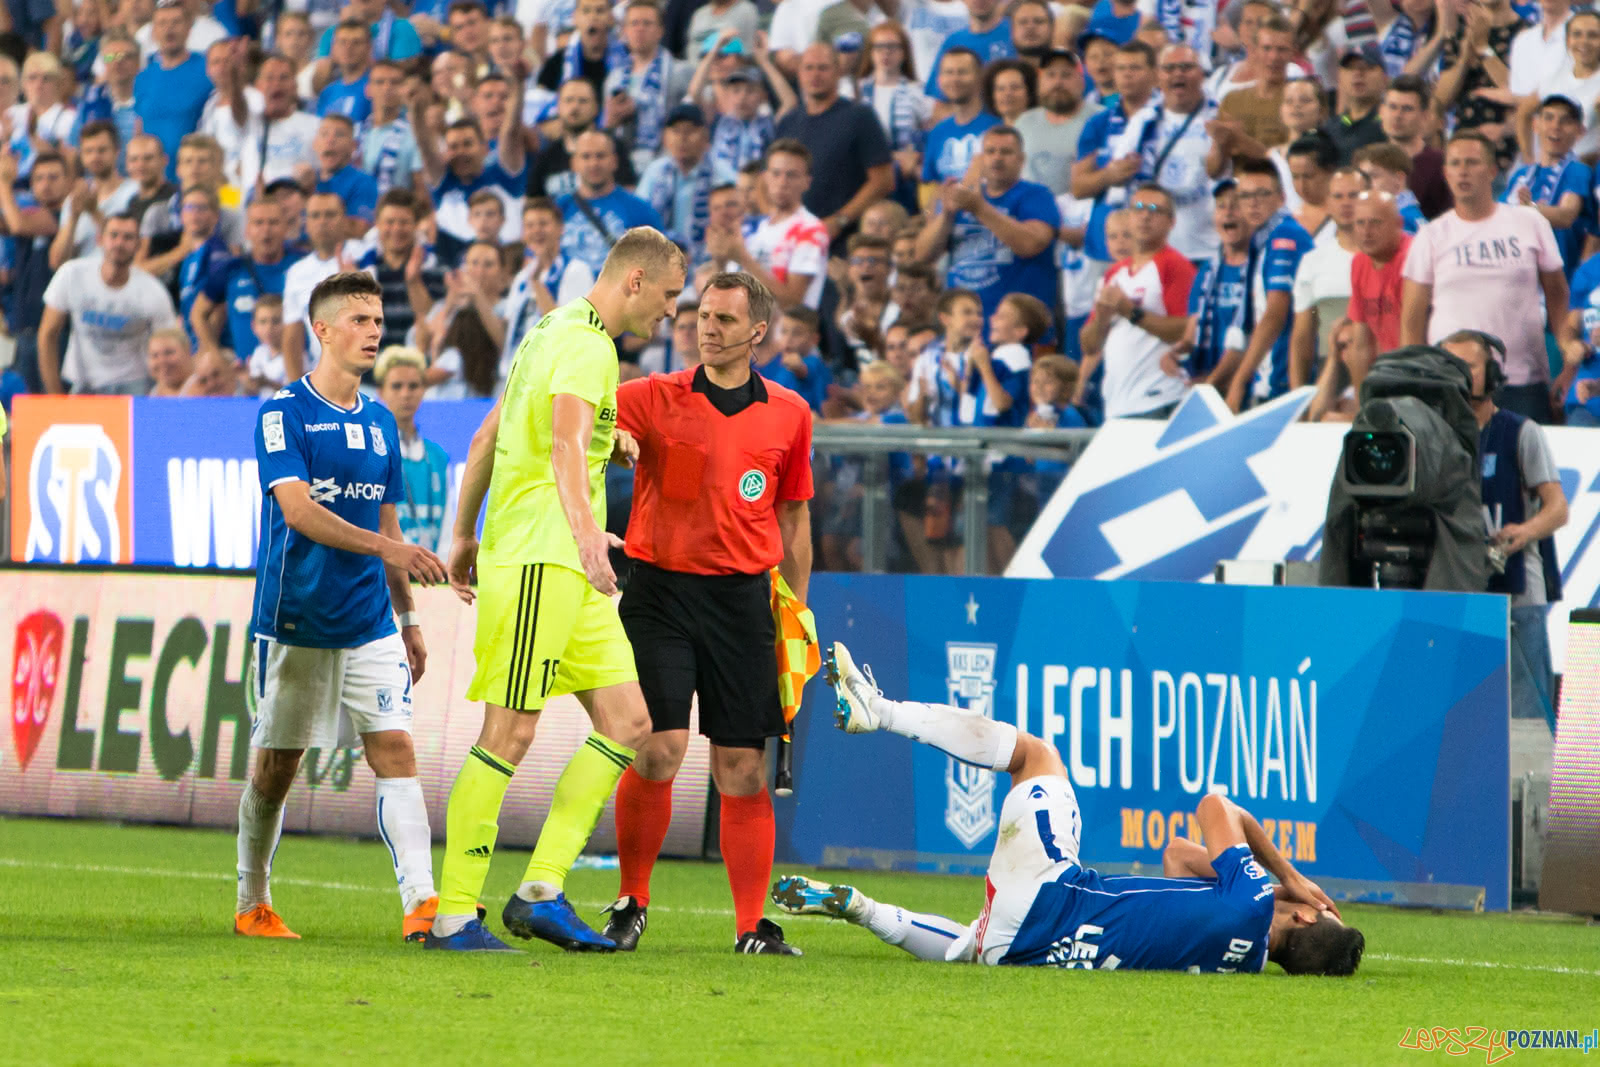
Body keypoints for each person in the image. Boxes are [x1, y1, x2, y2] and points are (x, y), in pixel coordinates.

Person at [775, 641, 1365, 975]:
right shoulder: (1243, 962)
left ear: (1309, 917)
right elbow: (1178, 858)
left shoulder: (1255, 900)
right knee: (972, 943)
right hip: (1034, 947)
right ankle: (860, 908)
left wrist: (1287, 876)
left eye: (1315, 908)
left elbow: (1214, 804)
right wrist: (1263, 886)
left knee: (1035, 757)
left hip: (1054, 892)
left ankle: (880, 711)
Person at [427, 228, 686, 953]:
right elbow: (565, 443)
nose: (673, 312)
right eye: (669, 296)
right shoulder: (588, 346)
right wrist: (582, 535)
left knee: (631, 721)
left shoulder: (551, 331)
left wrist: (463, 533)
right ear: (634, 281)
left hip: (558, 565)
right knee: (508, 732)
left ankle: (541, 888)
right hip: (546, 560)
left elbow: (491, 436)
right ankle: (452, 914)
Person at [600, 270, 813, 954]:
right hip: (659, 593)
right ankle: (631, 899)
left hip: (742, 601)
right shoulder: (649, 397)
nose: (706, 327)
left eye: (724, 318)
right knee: (659, 748)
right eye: (701, 315)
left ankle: (752, 925)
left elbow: (794, 515)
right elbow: (575, 421)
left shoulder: (790, 413)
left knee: (743, 769)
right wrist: (611, 439)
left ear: (758, 332)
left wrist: (795, 613)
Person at [234, 270, 448, 942]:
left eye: (379, 321)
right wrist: (393, 548)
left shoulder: (382, 422)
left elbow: (386, 529)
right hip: (296, 615)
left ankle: (422, 904)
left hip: (368, 620)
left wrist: (408, 617)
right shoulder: (282, 414)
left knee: (395, 749)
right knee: (278, 763)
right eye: (358, 320)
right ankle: (252, 898)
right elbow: (297, 510)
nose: (373, 332)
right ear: (320, 329)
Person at [1401, 130, 1580, 424]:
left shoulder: (1529, 222)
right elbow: (1412, 316)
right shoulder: (1431, 235)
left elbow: (1557, 294)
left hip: (1522, 377)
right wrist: (1415, 377)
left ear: (1493, 171)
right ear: (1445, 173)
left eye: (1472, 162)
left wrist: (1565, 355)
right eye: (1455, 164)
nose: (1463, 171)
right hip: (1450, 380)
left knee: (1525, 464)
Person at [1441, 330, 1566, 733]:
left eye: (1469, 366)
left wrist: (1525, 531)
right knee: (1462, 715)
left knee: (1527, 716)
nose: (1459, 375)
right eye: (1451, 366)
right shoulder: (1434, 437)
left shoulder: (1520, 431)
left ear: (1492, 374)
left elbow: (1557, 509)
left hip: (1518, 594)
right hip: (1458, 593)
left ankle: (1536, 794)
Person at [915, 125, 1059, 331]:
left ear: (1021, 160)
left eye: (1006, 152)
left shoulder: (1036, 195)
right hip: (962, 326)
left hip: (1019, 327)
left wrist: (979, 208)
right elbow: (922, 255)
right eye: (990, 152)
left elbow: (1032, 244)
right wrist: (947, 214)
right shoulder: (959, 197)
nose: (997, 158)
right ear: (980, 159)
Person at [1079, 184, 1194, 419]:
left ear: (1171, 222)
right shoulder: (1114, 274)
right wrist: (1102, 317)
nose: (1145, 215)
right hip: (1118, 401)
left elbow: (1183, 329)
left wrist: (1130, 311)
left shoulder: (1174, 265)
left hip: (1160, 396)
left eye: (1155, 210)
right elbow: (1089, 345)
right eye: (1138, 208)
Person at [37, 212, 180, 395]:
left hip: (133, 383)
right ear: (100, 239)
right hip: (81, 382)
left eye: (128, 237)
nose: (119, 243)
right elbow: (48, 334)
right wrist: (54, 395)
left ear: (138, 245)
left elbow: (170, 344)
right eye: (113, 235)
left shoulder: (153, 291)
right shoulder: (72, 274)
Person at [1217, 158, 1314, 412]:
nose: (1253, 202)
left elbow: (1275, 315)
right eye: (1245, 196)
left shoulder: (1285, 236)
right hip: (1270, 378)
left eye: (1262, 194)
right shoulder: (1263, 240)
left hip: (1281, 379)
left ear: (1282, 197)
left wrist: (1238, 382)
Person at [773, 44, 894, 243]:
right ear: (799, 73)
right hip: (791, 239)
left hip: (843, 241)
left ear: (838, 72)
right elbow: (765, 177)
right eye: (809, 68)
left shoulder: (859, 116)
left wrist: (840, 220)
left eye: (823, 68)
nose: (815, 75)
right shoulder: (788, 122)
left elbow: (883, 180)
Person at [1316, 190, 1409, 420]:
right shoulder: (1359, 262)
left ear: (1398, 223)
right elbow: (1361, 344)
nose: (1366, 232)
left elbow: (1412, 339)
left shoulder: (1412, 257)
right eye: (1360, 223)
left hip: (1414, 377)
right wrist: (1362, 405)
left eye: (1375, 223)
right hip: (1381, 378)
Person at [707, 138, 829, 310]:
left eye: (791, 175)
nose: (782, 182)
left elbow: (793, 302)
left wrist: (743, 258)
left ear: (807, 182)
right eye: (776, 173)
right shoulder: (752, 229)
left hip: (784, 334)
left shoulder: (811, 229)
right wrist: (721, 260)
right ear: (764, 178)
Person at [192, 199, 303, 360]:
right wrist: (214, 354)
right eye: (258, 223)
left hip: (299, 369)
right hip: (248, 375)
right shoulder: (231, 269)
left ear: (285, 228)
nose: (266, 230)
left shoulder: (302, 265)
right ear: (247, 231)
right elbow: (198, 313)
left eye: (273, 223)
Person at [637, 104, 738, 271]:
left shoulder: (722, 175)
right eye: (675, 131)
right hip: (660, 265)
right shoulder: (656, 172)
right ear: (665, 137)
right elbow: (640, 217)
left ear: (706, 136)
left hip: (710, 266)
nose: (682, 138)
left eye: (690, 131)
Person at [1289, 166, 1363, 389]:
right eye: (1338, 196)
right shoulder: (1312, 261)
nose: (1346, 203)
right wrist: (1297, 395)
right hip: (1331, 375)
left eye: (1354, 195)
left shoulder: (1392, 256)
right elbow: (1302, 337)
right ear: (1328, 204)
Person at [556, 129, 665, 275]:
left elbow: (658, 264)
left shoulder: (640, 210)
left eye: (600, 156)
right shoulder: (558, 209)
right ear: (574, 163)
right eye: (586, 156)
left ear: (614, 161)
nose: (593, 163)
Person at [1504, 95, 1590, 281]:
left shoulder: (1578, 171)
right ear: (1535, 125)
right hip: (1516, 279)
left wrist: (1529, 209)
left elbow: (1566, 215)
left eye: (1566, 120)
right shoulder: (1521, 175)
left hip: (1556, 284)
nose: (1555, 126)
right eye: (1548, 118)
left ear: (1580, 131)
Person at [376, 344, 452, 553]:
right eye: (396, 386)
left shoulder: (438, 457)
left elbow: (448, 527)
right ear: (380, 391)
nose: (406, 394)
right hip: (387, 574)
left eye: (413, 386)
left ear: (423, 390)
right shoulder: (372, 452)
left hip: (433, 577)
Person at [605, 0, 694, 176]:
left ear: (660, 31)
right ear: (624, 31)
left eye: (647, 23)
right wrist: (613, 120)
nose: (640, 29)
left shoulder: (681, 71)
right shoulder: (613, 79)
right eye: (634, 23)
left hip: (667, 165)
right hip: (625, 168)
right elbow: (608, 129)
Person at [283, 191, 362, 381]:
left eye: (330, 215)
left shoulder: (364, 256)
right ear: (306, 224)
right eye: (315, 216)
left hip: (365, 374)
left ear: (345, 220)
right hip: (322, 376)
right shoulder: (297, 272)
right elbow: (292, 336)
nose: (322, 222)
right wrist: (297, 390)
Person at [133, 0, 212, 181]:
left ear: (189, 28)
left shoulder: (207, 68)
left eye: (176, 22)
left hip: (196, 177)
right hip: (155, 181)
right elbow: (139, 130)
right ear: (153, 32)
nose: (169, 29)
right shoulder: (143, 77)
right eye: (162, 23)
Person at [358, 189, 446, 351]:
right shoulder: (360, 269)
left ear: (416, 225)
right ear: (377, 223)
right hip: (371, 366)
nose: (396, 229)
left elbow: (431, 320)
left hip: (417, 364)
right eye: (390, 222)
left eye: (404, 222)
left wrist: (414, 280)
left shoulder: (435, 267)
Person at [921, 47, 999, 196]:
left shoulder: (997, 126)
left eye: (962, 72)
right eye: (949, 72)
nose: (955, 79)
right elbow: (933, 186)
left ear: (979, 77)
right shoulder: (937, 132)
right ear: (939, 80)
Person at [1014, 48, 1088, 197]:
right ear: (1040, 82)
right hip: (1029, 211)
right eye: (1050, 75)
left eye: (1066, 75)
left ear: (1081, 81)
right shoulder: (1024, 122)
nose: (1058, 82)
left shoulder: (1098, 118)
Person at [1381, 74, 1450, 219]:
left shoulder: (1441, 164)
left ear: (1424, 116)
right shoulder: (1369, 162)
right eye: (1392, 107)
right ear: (1382, 111)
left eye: (1407, 109)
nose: (1397, 115)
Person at [1322, 43, 1388, 164]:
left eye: (1367, 67)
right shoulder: (1330, 128)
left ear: (1385, 79)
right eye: (1350, 68)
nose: (1358, 73)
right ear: (1340, 78)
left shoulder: (1390, 124)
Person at [1351, 142, 1426, 232]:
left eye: (1373, 176)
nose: (1365, 183)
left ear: (1399, 178)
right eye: (1362, 177)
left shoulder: (1402, 221)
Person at [245, 292, 288, 397]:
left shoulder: (295, 355)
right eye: (263, 322)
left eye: (276, 321)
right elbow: (252, 391)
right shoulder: (259, 352)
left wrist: (267, 382)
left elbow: (295, 392)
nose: (269, 328)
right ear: (254, 326)